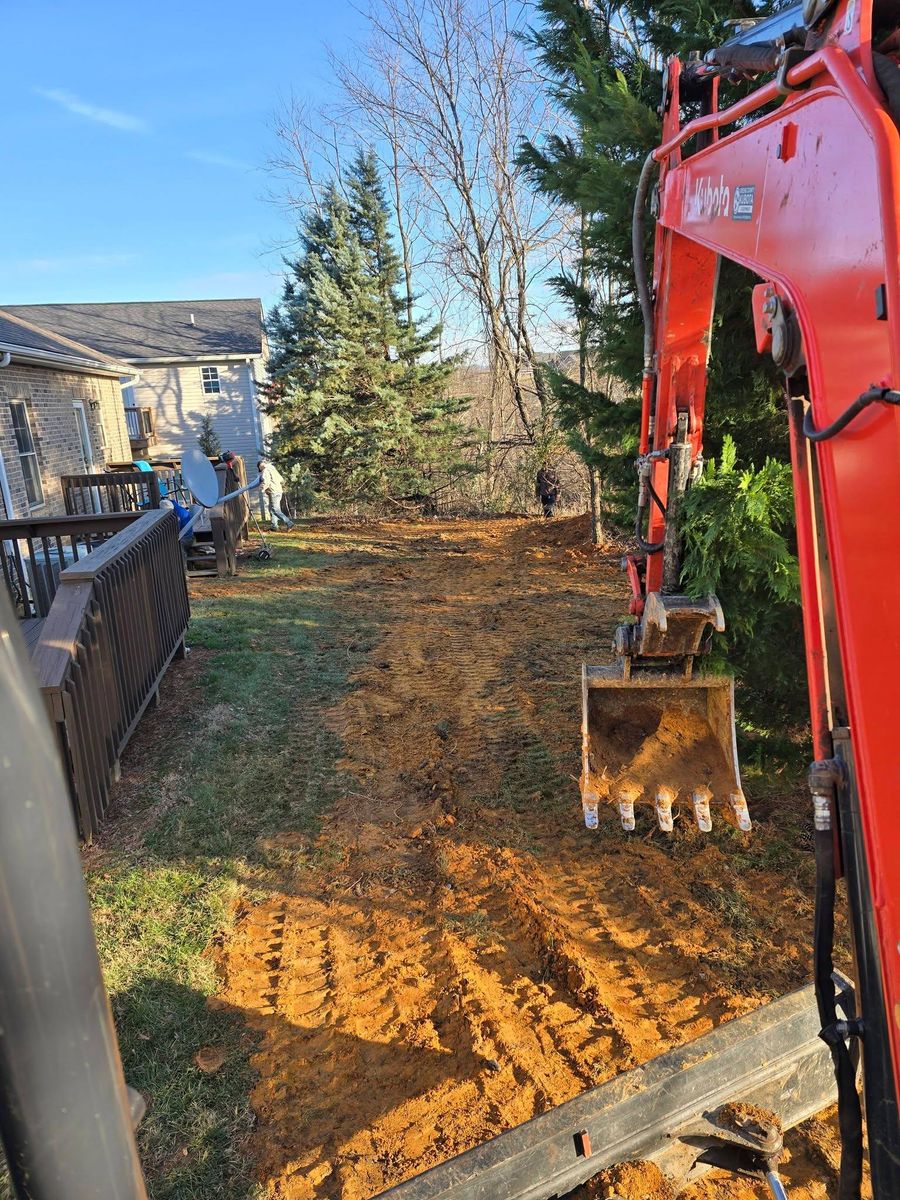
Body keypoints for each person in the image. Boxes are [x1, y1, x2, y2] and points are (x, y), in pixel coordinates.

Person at [258, 457, 295, 531]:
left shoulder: (265, 470)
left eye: (260, 469)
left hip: (273, 492)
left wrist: (262, 489)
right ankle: (274, 526)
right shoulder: (273, 469)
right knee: (272, 509)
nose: (260, 470)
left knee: (275, 510)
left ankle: (289, 523)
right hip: (279, 491)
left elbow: (266, 481)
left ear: (260, 466)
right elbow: (281, 479)